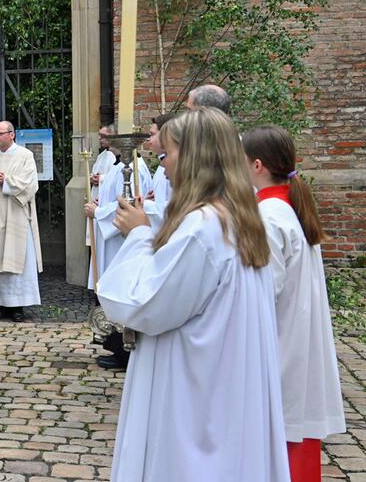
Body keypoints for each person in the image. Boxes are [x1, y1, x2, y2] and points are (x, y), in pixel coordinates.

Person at [99, 108, 289, 482]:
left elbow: (144, 304)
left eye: (167, 154)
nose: (164, 165)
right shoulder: (239, 217)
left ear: (192, 156)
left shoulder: (203, 227)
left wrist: (138, 236)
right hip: (226, 384)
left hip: (194, 395)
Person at [243, 125, 345, 482]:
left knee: (283, 441)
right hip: (293, 337)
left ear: (256, 165)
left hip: (281, 341)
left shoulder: (270, 215)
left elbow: (262, 291)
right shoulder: (285, 205)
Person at [86, 137, 154, 369]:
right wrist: (101, 202)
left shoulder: (134, 169)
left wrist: (98, 211)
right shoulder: (118, 167)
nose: (106, 140)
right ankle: (113, 344)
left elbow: (130, 204)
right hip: (112, 240)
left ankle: (122, 349)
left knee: (119, 288)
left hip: (120, 241)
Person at [0, 121, 42, 322]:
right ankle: (2, 304)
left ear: (11, 135)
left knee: (17, 258)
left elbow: (31, 184)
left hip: (16, 214)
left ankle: (18, 306)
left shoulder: (24, 156)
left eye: (0, 134)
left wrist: (7, 181)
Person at [141, 114, 174, 231]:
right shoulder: (163, 164)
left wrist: (145, 204)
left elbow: (175, 209)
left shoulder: (176, 167)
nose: (148, 139)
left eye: (152, 134)